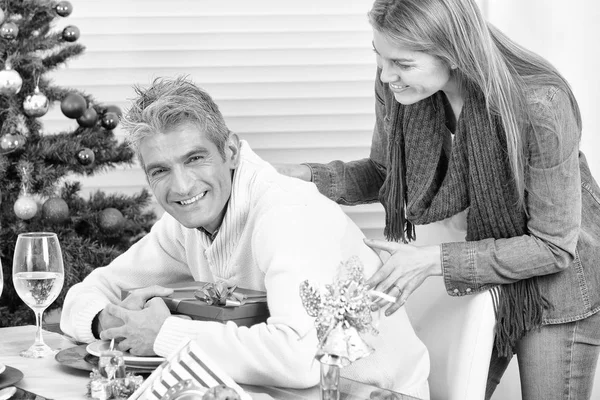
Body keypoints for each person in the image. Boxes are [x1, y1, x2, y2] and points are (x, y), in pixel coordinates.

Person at [276, 0, 600, 399]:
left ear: (454, 52)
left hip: (557, 282)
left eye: (403, 64)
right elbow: (385, 174)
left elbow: (553, 246)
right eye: (379, 56)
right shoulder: (400, 89)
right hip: (478, 269)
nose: (386, 75)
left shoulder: (539, 104)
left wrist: (433, 261)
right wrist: (307, 178)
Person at [59, 76, 430, 397]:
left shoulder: (287, 213)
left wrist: (163, 332)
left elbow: (298, 359)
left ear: (231, 151)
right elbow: (87, 294)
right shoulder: (185, 224)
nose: (181, 185)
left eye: (194, 159)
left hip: (372, 394)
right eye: (160, 170)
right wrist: (106, 322)